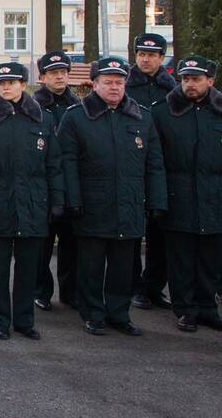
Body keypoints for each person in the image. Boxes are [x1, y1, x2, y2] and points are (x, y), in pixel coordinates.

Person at [61, 56, 166, 337]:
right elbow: (67, 163)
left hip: (130, 204)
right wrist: (73, 199)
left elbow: (154, 164)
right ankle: (93, 313)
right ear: (94, 84)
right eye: (107, 82)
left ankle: (119, 313)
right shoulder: (75, 117)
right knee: (91, 265)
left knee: (123, 266)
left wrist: (157, 201)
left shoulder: (142, 116)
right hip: (92, 203)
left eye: (119, 82)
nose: (114, 87)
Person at [0, 62, 64, 340]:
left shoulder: (43, 120)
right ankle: (0, 320)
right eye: (2, 83)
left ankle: (24, 320)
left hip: (33, 202)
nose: (6, 87)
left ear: (24, 84)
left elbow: (54, 164)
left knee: (28, 266)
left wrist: (57, 200)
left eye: (12, 82)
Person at [150, 55, 222, 332]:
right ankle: (185, 309)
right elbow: (155, 161)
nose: (190, 84)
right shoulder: (163, 112)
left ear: (210, 81)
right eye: (185, 79)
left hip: (214, 196)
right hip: (177, 196)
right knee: (181, 258)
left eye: (196, 79)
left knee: (210, 258)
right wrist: (158, 199)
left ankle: (207, 307)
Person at [126, 33, 176, 311]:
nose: (145, 59)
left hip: (162, 166)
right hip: (133, 165)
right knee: (132, 231)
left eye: (152, 55)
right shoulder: (126, 85)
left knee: (161, 231)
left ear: (161, 57)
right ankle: (134, 286)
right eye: (141, 54)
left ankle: (154, 285)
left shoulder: (171, 89)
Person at [33, 49, 81, 311]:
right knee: (43, 242)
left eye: (63, 72)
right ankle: (41, 290)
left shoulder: (77, 105)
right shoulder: (35, 106)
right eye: (53, 73)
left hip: (70, 179)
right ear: (42, 76)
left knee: (71, 241)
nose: (60, 77)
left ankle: (70, 291)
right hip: (45, 181)